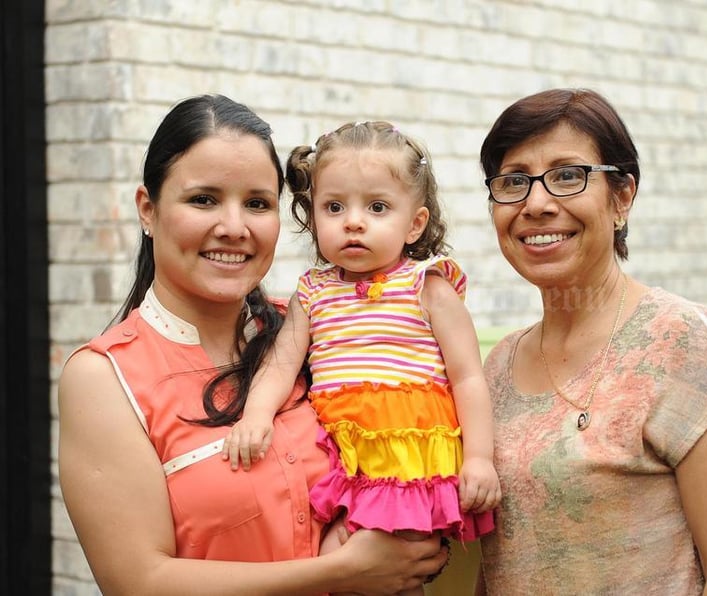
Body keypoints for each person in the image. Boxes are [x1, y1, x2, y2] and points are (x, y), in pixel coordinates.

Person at [57, 95, 448, 595]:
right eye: (203, 199)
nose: (235, 228)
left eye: (258, 204)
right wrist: (345, 570)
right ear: (148, 210)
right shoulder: (105, 377)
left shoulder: (320, 331)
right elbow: (138, 582)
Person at [476, 88, 707, 595]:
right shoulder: (497, 365)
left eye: (568, 175)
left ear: (622, 197)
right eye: (514, 180)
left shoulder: (685, 343)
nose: (536, 203)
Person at [222, 121, 500, 594]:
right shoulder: (314, 290)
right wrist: (255, 415)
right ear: (313, 215)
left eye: (377, 207)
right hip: (341, 456)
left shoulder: (426, 285)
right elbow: (283, 362)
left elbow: (468, 377)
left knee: (393, 568)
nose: (353, 221)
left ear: (415, 223)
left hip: (405, 458)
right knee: (343, 563)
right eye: (334, 207)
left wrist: (479, 458)